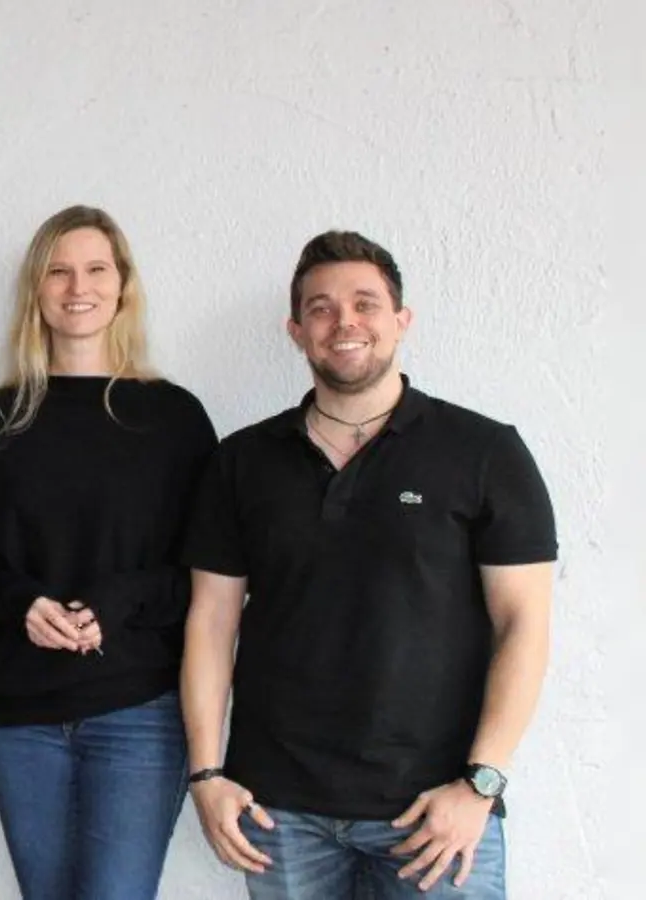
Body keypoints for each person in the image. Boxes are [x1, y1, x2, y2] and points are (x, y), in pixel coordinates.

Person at [180, 231, 557, 899]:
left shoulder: (484, 453)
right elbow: (211, 623)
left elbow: (524, 625)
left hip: (435, 811)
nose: (344, 322)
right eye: (321, 308)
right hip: (280, 811)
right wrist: (207, 775)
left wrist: (481, 784)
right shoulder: (241, 462)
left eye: (365, 304)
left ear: (401, 320)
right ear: (296, 331)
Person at [0, 205, 217, 899]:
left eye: (96, 269)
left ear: (122, 284)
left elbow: (206, 575)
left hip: (137, 708)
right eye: (58, 271)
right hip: (19, 713)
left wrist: (116, 601)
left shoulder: (175, 417)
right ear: (36, 289)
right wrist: (23, 604)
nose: (79, 287)